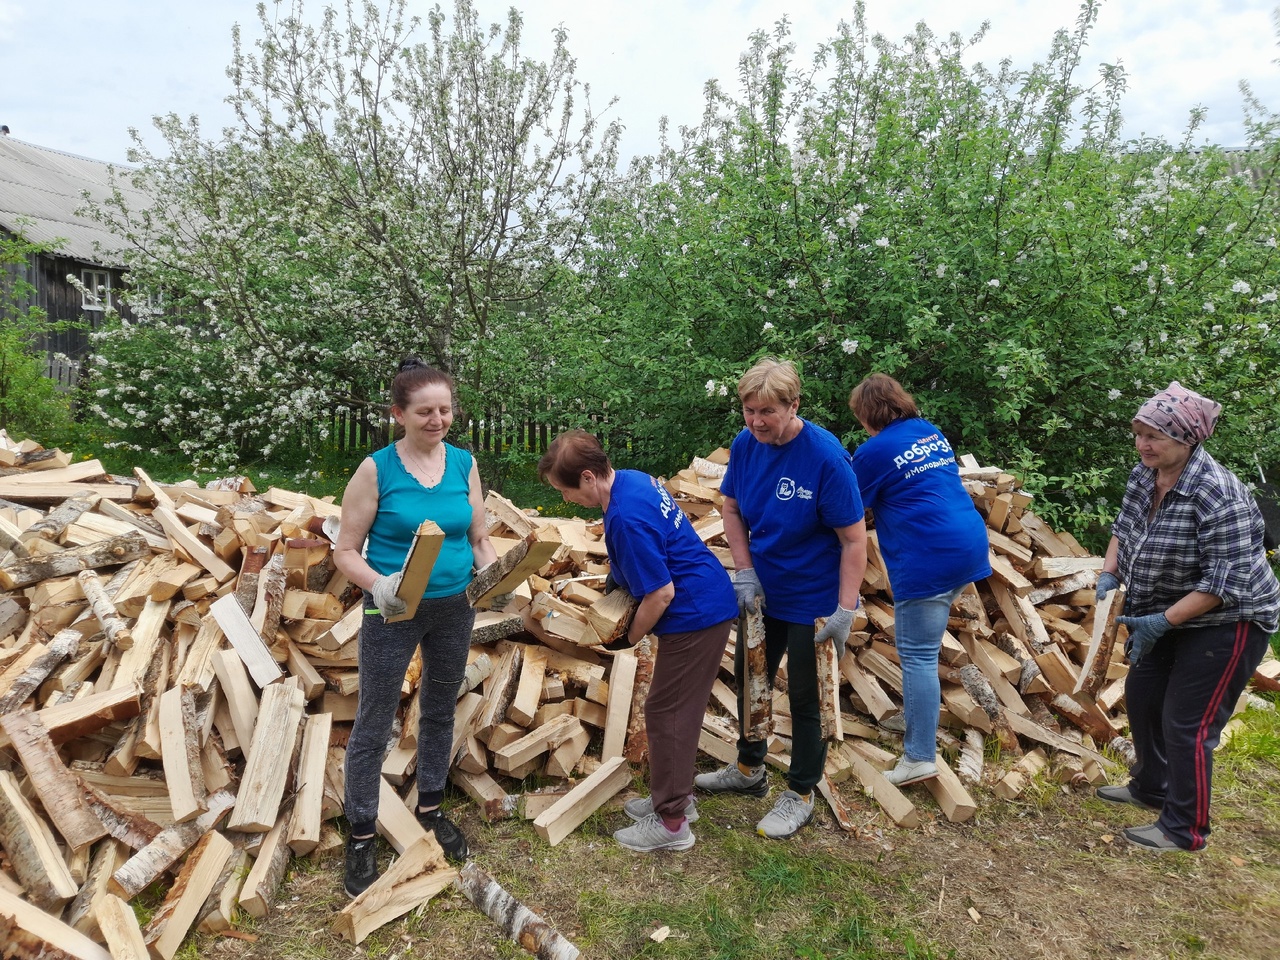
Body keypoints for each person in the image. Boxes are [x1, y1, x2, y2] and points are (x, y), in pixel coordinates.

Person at [333, 357, 498, 896]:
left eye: (445, 409)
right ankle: (361, 830)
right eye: (424, 411)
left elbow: (475, 538)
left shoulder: (463, 464)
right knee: (376, 716)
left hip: (455, 605)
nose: (437, 420)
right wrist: (379, 586)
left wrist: (494, 573)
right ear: (398, 414)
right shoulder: (376, 469)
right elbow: (346, 552)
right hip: (394, 608)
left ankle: (430, 805)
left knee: (439, 706)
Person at [1096, 381, 1279, 852]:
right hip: (1164, 608)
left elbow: (1225, 582)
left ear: (1188, 439)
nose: (1143, 444)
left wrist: (1162, 622)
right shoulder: (1145, 474)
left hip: (1228, 620)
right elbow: (1124, 527)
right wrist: (1109, 572)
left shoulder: (1218, 492)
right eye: (1138, 434)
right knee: (1142, 696)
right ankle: (1150, 788)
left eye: (1154, 436)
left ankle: (1184, 828)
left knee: (1188, 723)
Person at [538, 430, 737, 852]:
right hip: (704, 602)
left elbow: (660, 593)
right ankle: (676, 798)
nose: (566, 500)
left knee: (669, 714)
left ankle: (672, 824)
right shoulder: (631, 478)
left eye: (566, 490)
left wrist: (627, 637)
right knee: (672, 710)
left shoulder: (626, 515)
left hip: (695, 615)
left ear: (589, 477)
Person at [695, 358, 867, 838]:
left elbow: (855, 540)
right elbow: (730, 507)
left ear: (794, 405)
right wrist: (745, 571)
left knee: (807, 697)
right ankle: (749, 771)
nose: (756, 421)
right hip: (763, 593)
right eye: (748, 410)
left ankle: (801, 792)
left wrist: (845, 607)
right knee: (751, 679)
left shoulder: (825, 458)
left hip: (812, 599)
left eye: (767, 411)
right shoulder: (747, 446)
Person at [847, 374, 992, 785]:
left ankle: (920, 756)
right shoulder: (928, 431)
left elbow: (848, 508)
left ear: (866, 415)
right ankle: (918, 721)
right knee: (922, 650)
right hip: (967, 542)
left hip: (930, 556)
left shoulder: (874, 451)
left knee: (918, 657)